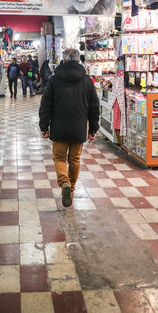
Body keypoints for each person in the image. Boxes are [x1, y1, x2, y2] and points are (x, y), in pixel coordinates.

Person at [39, 48, 100, 207]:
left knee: (59, 158)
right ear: (79, 60)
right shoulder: (87, 81)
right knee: (74, 159)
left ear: (63, 61)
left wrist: (44, 126)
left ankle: (64, 183)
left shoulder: (54, 80)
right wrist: (93, 128)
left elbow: (45, 104)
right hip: (79, 127)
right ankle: (71, 188)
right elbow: (94, 106)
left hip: (59, 127)